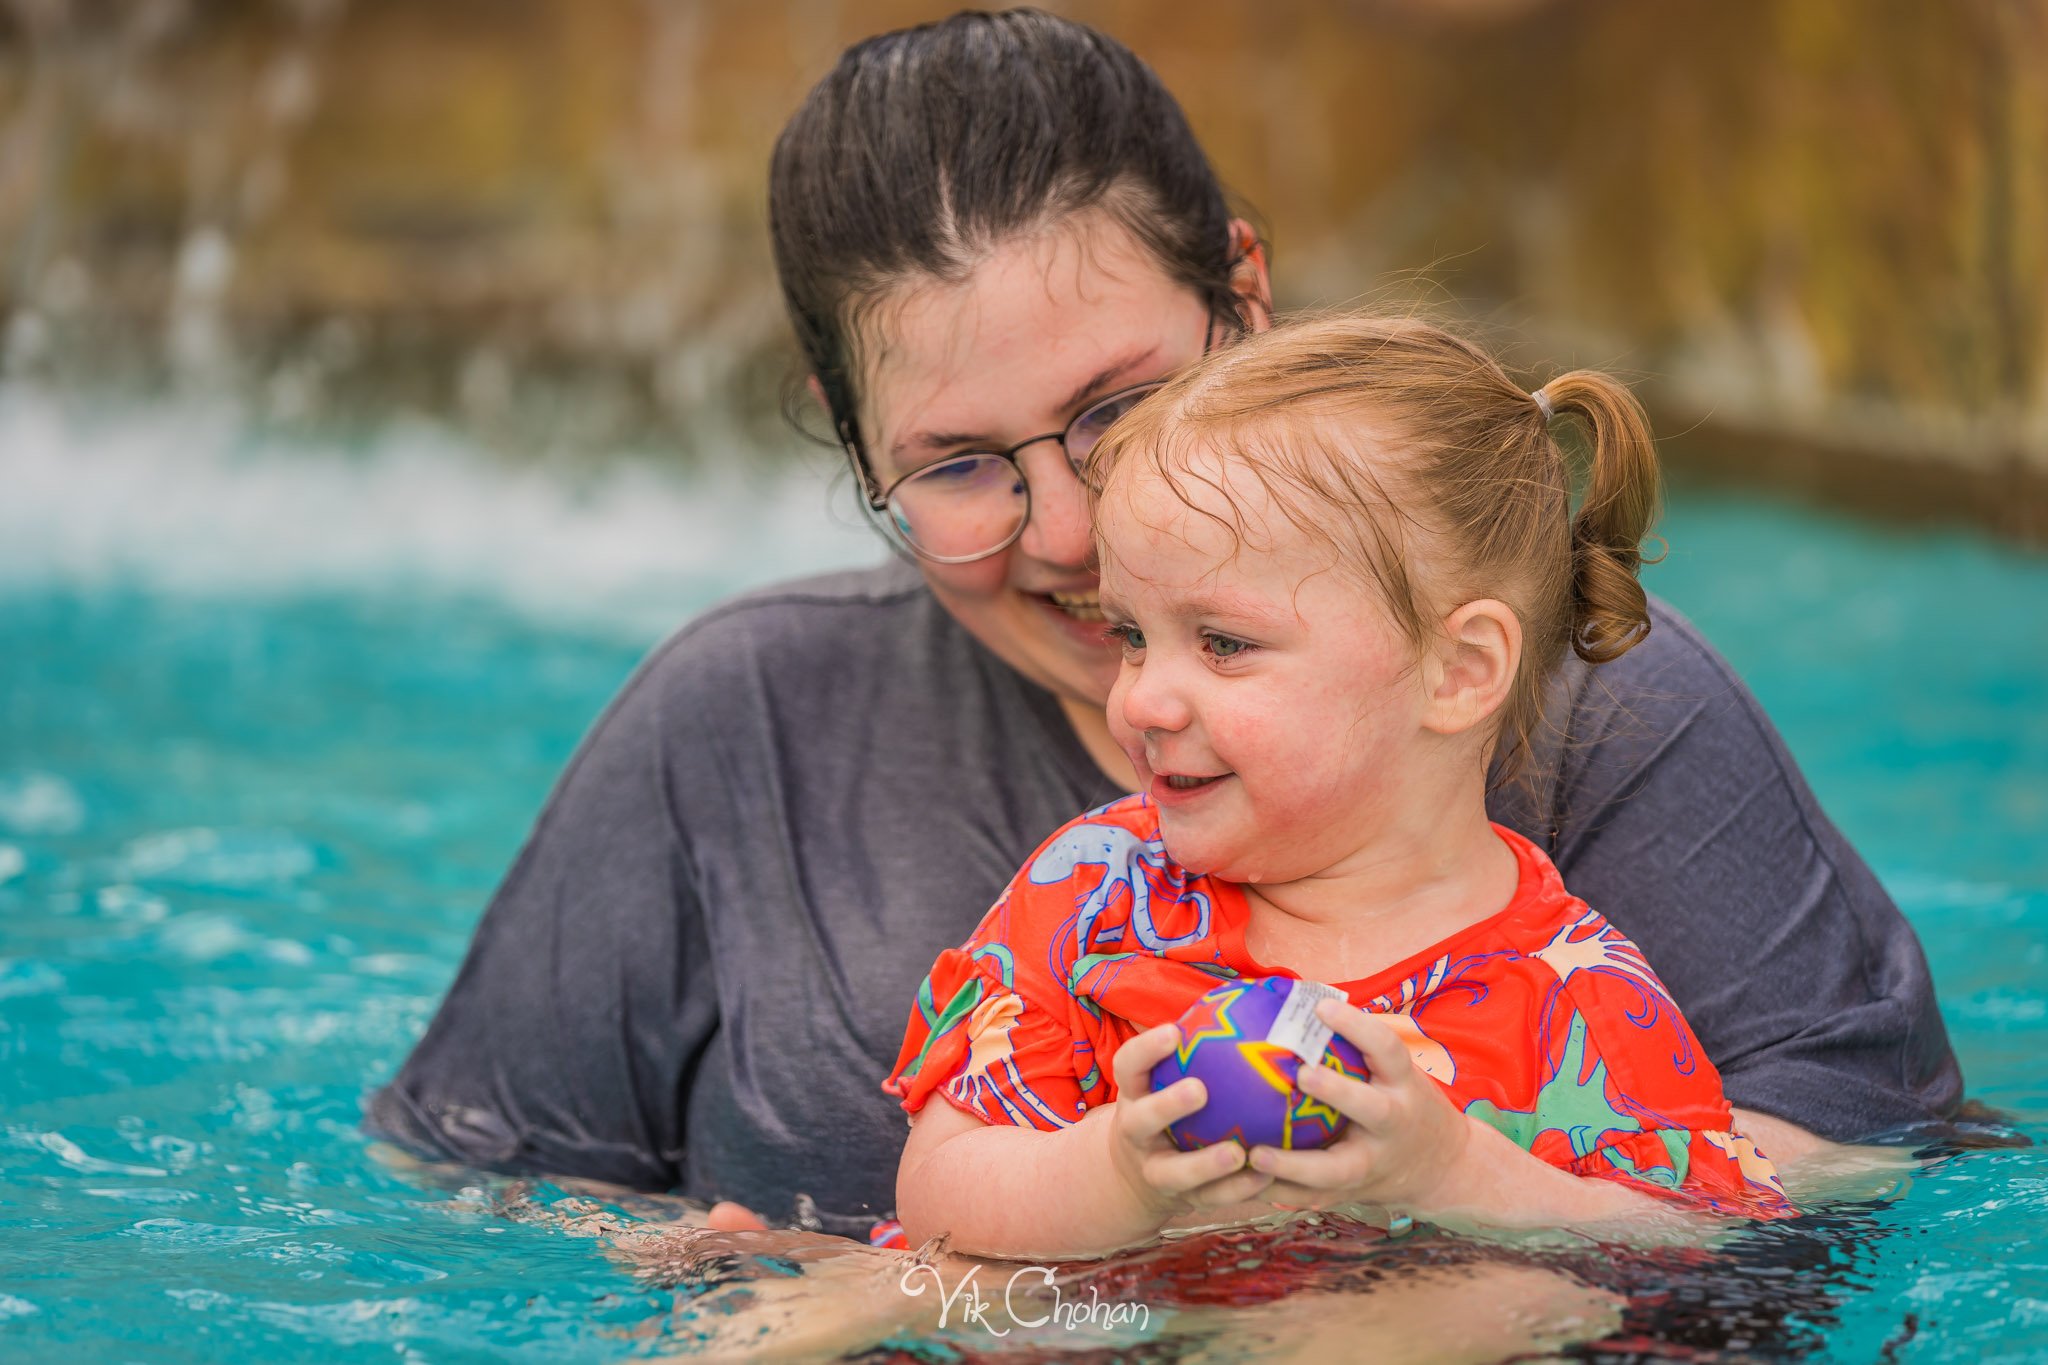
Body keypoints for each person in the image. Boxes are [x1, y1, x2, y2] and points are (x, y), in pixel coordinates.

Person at [364, 9, 1960, 1240]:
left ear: (1248, 298)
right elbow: (465, 1198)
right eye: (960, 465)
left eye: (1122, 404)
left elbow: (1866, 1174)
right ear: (852, 447)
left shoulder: (1585, 700)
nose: (1067, 535)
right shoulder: (740, 720)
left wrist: (1467, 1188)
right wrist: (735, 1280)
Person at [885, 314, 1793, 1259]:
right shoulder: (1094, 897)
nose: (1143, 700)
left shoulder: (1583, 1002)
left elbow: (1703, 1248)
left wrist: (1455, 1172)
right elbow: (937, 1190)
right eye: (1132, 635)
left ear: (1458, 671)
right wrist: (1111, 1172)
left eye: (1224, 643)